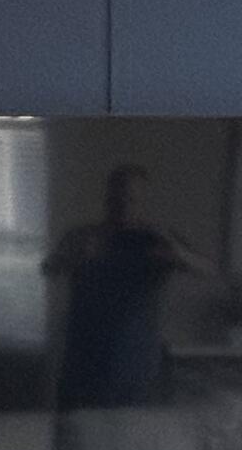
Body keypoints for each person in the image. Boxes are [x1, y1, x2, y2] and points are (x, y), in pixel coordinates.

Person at [44, 164, 209, 410]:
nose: (123, 205)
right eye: (117, 198)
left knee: (134, 432)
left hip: (137, 365)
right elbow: (48, 268)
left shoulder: (157, 239)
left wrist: (178, 253)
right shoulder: (82, 236)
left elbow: (208, 269)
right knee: (76, 430)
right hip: (83, 365)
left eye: (131, 199)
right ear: (107, 198)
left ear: (142, 201)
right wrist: (75, 256)